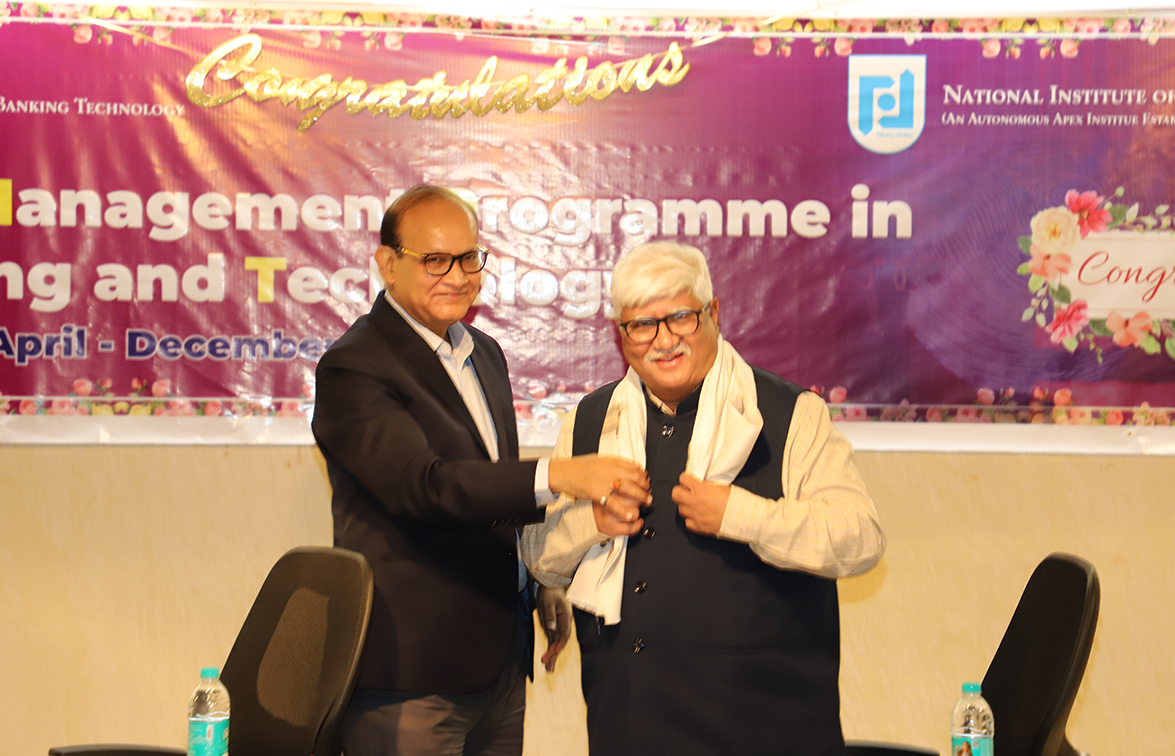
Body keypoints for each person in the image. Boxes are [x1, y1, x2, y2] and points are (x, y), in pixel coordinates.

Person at [312, 185, 650, 756]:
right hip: (412, 674)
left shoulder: (483, 353)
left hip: (500, 661)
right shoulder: (354, 365)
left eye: (469, 258)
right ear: (387, 264)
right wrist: (560, 475)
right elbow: (425, 486)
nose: (457, 276)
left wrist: (539, 582)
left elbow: (491, 491)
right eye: (435, 260)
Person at [522, 241, 886, 756]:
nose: (664, 340)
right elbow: (539, 559)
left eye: (680, 318)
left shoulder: (791, 413)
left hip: (769, 728)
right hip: (630, 724)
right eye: (642, 325)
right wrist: (591, 524)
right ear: (621, 334)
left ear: (713, 313)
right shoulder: (591, 421)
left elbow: (861, 538)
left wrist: (742, 514)